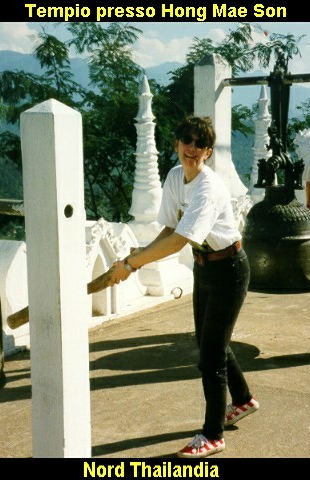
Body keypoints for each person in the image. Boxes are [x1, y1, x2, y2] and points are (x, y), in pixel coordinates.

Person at [111, 116, 259, 459]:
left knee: (211, 357)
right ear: (176, 144)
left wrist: (132, 264)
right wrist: (138, 257)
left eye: (199, 144)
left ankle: (213, 435)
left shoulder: (209, 188)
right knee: (209, 342)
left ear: (208, 152)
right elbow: (169, 229)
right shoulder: (175, 177)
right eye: (186, 141)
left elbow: (179, 241)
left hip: (230, 269)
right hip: (204, 267)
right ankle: (243, 400)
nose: (191, 148)